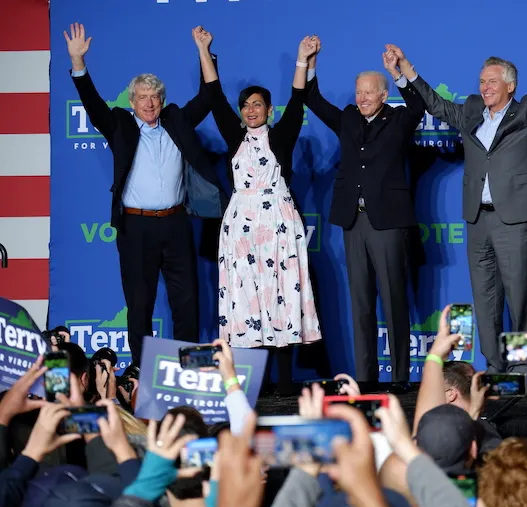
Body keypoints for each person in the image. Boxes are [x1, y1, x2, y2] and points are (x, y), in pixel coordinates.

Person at [385, 45, 527, 375]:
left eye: (491, 82)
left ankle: (520, 370)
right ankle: (495, 369)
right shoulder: (471, 110)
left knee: (519, 298)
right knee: (485, 301)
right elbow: (436, 105)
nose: (484, 87)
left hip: (516, 219)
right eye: (482, 81)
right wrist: (405, 69)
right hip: (477, 218)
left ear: (510, 86)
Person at [64, 24, 226, 370]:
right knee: (139, 303)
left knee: (187, 301)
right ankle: (140, 372)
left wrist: (203, 51)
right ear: (132, 101)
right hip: (136, 227)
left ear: (162, 100)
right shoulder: (119, 125)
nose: (149, 103)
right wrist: (78, 62)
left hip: (176, 224)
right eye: (142, 97)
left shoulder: (177, 120)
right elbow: (92, 104)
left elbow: (210, 96)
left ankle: (190, 370)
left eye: (155, 97)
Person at [194, 28, 322, 396]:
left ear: (269, 110)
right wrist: (204, 49)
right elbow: (214, 95)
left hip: (279, 224)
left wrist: (302, 58)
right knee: (247, 300)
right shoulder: (235, 138)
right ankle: (255, 385)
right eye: (246, 105)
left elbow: (298, 98)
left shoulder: (281, 136)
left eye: (258, 105)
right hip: (241, 227)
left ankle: (284, 386)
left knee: (280, 297)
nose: (251, 110)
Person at [302, 37, 426, 392]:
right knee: (360, 305)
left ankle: (400, 376)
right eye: (358, 92)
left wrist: (399, 71)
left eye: (369, 93)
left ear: (384, 95)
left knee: (393, 301)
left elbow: (419, 104)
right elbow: (312, 98)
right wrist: (310, 63)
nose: (361, 98)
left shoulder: (400, 119)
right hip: (353, 223)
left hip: (388, 222)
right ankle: (367, 378)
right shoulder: (347, 119)